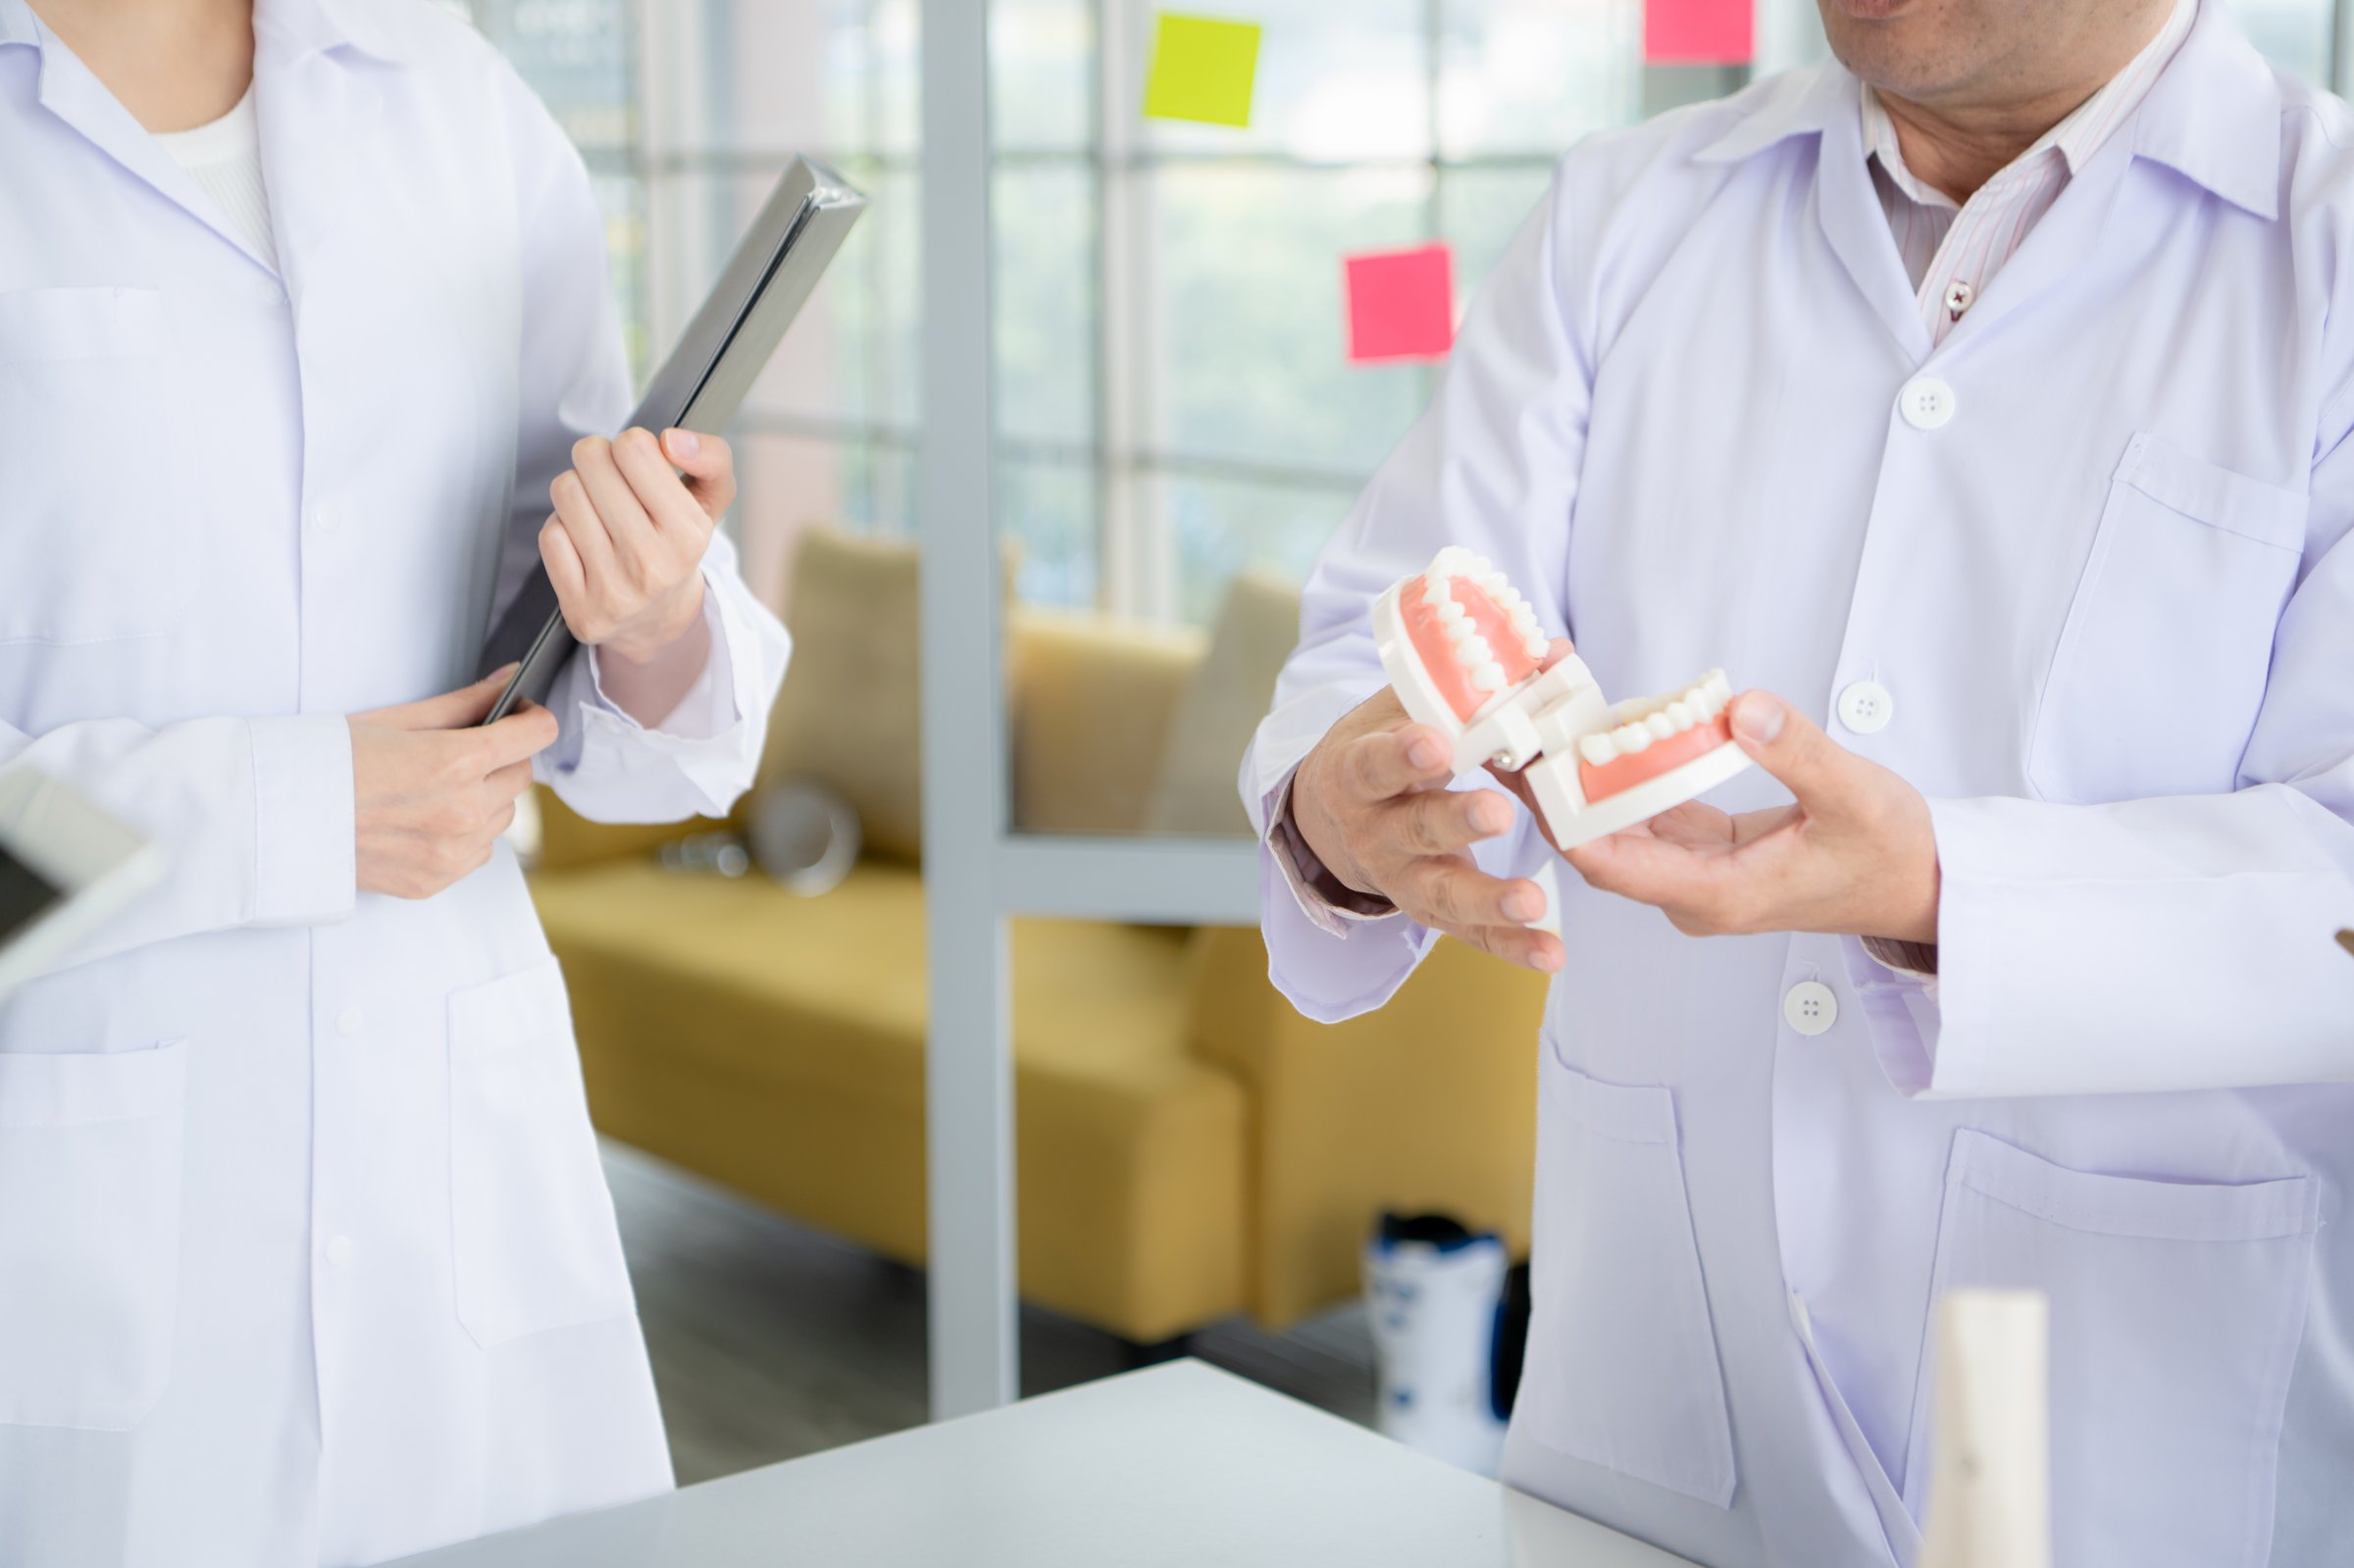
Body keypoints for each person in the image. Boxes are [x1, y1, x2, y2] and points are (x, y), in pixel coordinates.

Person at [1246, 0, 2354, 1563]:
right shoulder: (1624, 214)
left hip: (2136, 1427)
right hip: (1656, 1420)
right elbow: (1397, 610)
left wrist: (1935, 888)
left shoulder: (2330, 255)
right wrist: (1337, 812)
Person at [0, 0, 791, 1561]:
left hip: (462, 1199)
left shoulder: (454, 100)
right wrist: (287, 809)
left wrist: (650, 614)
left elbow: (614, 698)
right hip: (81, 1244)